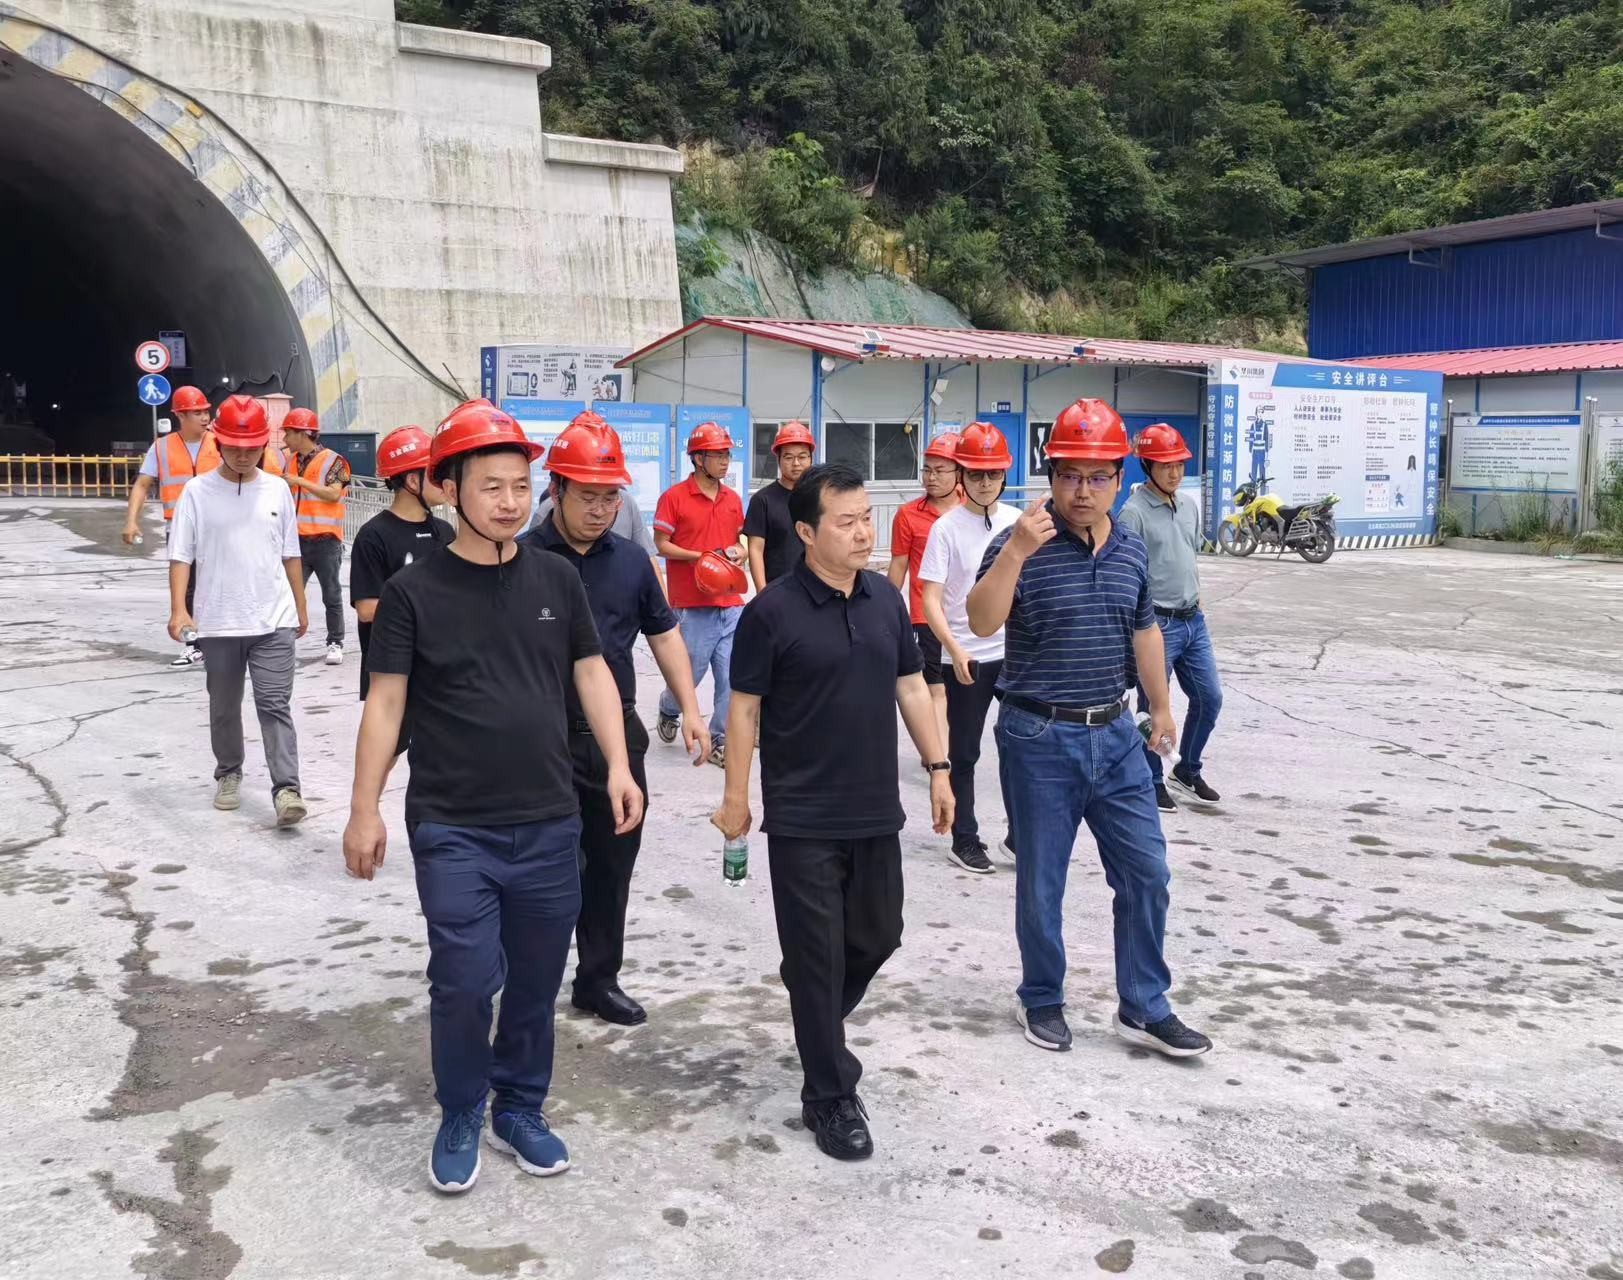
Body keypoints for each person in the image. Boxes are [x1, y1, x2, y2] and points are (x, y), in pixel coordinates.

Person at [342, 398, 643, 1196]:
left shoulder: (556, 579)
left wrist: (618, 764)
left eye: (518, 485)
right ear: (448, 488)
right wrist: (364, 808)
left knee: (537, 983)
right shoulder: (413, 592)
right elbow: (386, 703)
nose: (509, 502)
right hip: (453, 825)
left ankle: (519, 1107)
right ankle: (460, 1108)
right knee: (466, 980)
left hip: (548, 820)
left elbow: (591, 672)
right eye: (490, 486)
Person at [714, 463, 954, 1163]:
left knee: (879, 936)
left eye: (866, 518)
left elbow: (911, 686)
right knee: (818, 959)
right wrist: (736, 798)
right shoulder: (772, 612)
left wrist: (939, 769)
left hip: (875, 807)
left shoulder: (883, 599)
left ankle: (812, 1010)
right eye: (845, 522)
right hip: (802, 816)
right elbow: (744, 709)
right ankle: (828, 1093)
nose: (862, 533)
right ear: (806, 532)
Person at [967, 398, 1211, 1061]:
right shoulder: (1017, 541)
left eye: (1098, 476)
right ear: (1050, 476)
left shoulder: (1129, 547)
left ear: (1118, 478)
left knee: (1147, 873)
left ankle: (1144, 1005)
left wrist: (1161, 707)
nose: (1082, 490)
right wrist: (1016, 553)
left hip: (1115, 734)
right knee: (1042, 880)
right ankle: (1041, 996)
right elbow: (981, 620)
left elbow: (1144, 629)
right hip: (1038, 736)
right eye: (1070, 475)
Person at [519, 412, 710, 1028]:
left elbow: (665, 635)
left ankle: (598, 980)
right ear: (556, 490)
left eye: (611, 497)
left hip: (614, 741)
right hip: (539, 740)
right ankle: (528, 983)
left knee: (611, 865)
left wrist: (691, 709)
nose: (601, 510)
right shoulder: (519, 559)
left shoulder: (631, 562)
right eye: (588, 496)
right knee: (545, 870)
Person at [165, 395, 309, 826]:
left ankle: (287, 789)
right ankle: (228, 773)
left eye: (252, 448)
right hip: (219, 621)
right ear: (219, 442)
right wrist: (178, 610)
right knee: (224, 706)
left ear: (264, 445)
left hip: (273, 620)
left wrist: (300, 606)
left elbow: (290, 553)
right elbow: (181, 556)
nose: (244, 456)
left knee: (274, 704)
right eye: (235, 448)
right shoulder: (197, 492)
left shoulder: (277, 489)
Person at [917, 423, 1020, 874]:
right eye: (976, 473)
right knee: (965, 753)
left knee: (1021, 748)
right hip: (966, 657)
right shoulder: (946, 528)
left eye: (993, 473)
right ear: (962, 475)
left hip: (1013, 656)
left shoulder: (1018, 523)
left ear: (1005, 474)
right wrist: (955, 649)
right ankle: (965, 837)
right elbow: (930, 599)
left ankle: (1020, 835)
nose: (985, 482)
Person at [122, 385, 284, 667]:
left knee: (224, 581)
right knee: (187, 587)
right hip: (179, 528)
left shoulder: (221, 441)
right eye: (197, 412)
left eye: (206, 411)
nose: (205, 417)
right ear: (180, 415)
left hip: (220, 527)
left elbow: (262, 473)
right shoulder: (161, 447)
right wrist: (131, 521)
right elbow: (143, 484)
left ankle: (236, 636)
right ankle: (194, 643)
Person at [1118, 424, 1222, 813]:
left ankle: (1187, 770)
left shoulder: (1189, 505)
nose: (1175, 472)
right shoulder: (1133, 513)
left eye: (1179, 464)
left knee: (1209, 698)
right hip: (1156, 624)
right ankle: (1151, 780)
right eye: (1165, 465)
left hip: (1193, 620)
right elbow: (1126, 573)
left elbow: (1186, 556)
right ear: (1147, 465)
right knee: (1151, 707)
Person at [348, 425, 454, 752]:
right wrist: (425, 605)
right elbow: (367, 609)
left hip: (442, 663)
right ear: (411, 481)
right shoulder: (373, 536)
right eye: (434, 473)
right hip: (394, 667)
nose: (444, 481)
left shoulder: (446, 532)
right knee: (387, 749)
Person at [653, 421, 746, 767]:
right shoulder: (674, 498)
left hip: (731, 603)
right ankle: (669, 708)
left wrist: (738, 552)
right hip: (693, 606)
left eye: (727, 455)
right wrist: (701, 558)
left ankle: (720, 739)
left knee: (732, 678)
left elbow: (740, 542)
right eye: (717, 455)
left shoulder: (732, 499)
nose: (724, 461)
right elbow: (662, 544)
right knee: (689, 676)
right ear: (697, 458)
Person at [887, 432, 961, 752]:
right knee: (936, 688)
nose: (931, 477)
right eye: (927, 469)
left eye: (939, 470)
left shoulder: (973, 510)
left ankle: (953, 748)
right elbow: (899, 565)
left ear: (959, 472)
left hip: (965, 617)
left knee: (961, 688)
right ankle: (941, 758)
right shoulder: (908, 515)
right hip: (925, 616)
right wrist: (887, 611)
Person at [280, 407, 351, 665]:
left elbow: (333, 494)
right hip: (296, 541)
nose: (285, 439)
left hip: (326, 541)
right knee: (288, 594)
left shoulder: (335, 461)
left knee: (331, 594)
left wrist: (299, 481)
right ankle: (283, 642)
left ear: (302, 434)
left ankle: (335, 642)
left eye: (288, 433)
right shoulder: (290, 461)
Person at [744, 421, 814, 590]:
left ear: (811, 459)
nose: (796, 463)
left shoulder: (820, 497)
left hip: (816, 590)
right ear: (778, 459)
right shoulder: (762, 500)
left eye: (802, 457)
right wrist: (763, 594)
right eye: (788, 457)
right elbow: (756, 550)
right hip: (779, 591)